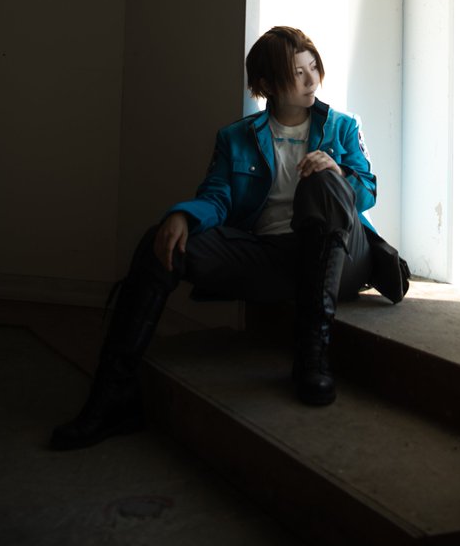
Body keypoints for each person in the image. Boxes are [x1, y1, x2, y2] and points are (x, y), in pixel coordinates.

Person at [50, 25, 409, 451]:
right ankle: (113, 395)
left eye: (314, 66)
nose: (311, 79)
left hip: (338, 257)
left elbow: (368, 191)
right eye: (297, 72)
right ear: (267, 84)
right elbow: (217, 198)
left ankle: (312, 358)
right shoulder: (236, 137)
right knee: (159, 241)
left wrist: (337, 171)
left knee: (324, 182)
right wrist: (183, 217)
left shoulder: (342, 127)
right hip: (269, 256)